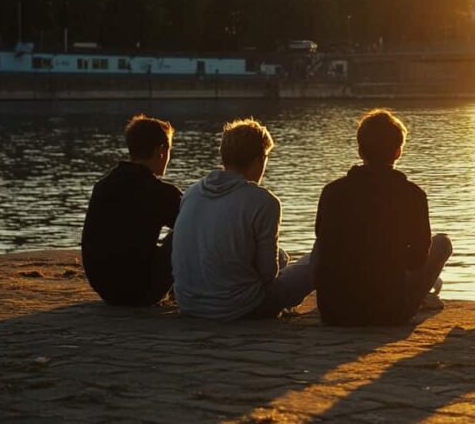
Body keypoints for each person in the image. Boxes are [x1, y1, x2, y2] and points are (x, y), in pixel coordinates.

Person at [314, 108, 452, 326]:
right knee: (442, 243)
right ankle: (421, 297)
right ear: (398, 152)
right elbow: (417, 261)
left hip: (334, 312)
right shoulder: (413, 195)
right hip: (387, 311)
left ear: (360, 152)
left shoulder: (332, 191)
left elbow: (323, 243)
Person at [172, 118, 314, 320]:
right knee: (318, 257)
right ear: (260, 159)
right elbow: (267, 274)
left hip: (189, 303)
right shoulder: (264, 201)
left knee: (280, 255)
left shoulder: (191, 193)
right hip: (241, 307)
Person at [81, 114, 181, 306]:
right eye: (169, 149)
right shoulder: (160, 193)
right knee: (186, 229)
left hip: (105, 288)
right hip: (142, 291)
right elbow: (198, 223)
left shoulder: (103, 185)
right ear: (161, 150)